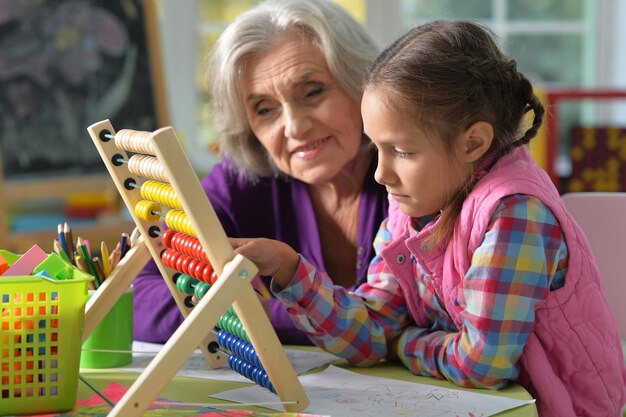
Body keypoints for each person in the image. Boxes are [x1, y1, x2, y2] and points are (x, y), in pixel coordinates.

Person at [231, 20, 626, 416]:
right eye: (377, 148)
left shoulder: (516, 214)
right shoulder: (411, 207)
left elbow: (482, 365)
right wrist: (288, 269)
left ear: (473, 142)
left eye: (401, 150)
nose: (380, 174)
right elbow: (371, 334)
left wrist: (405, 344)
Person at [132, 0, 388, 345]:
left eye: (313, 92)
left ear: (361, 82)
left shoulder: (416, 171)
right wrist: (258, 316)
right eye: (265, 110)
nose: (295, 127)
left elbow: (405, 319)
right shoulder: (240, 182)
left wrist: (249, 311)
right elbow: (139, 296)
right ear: (249, 126)